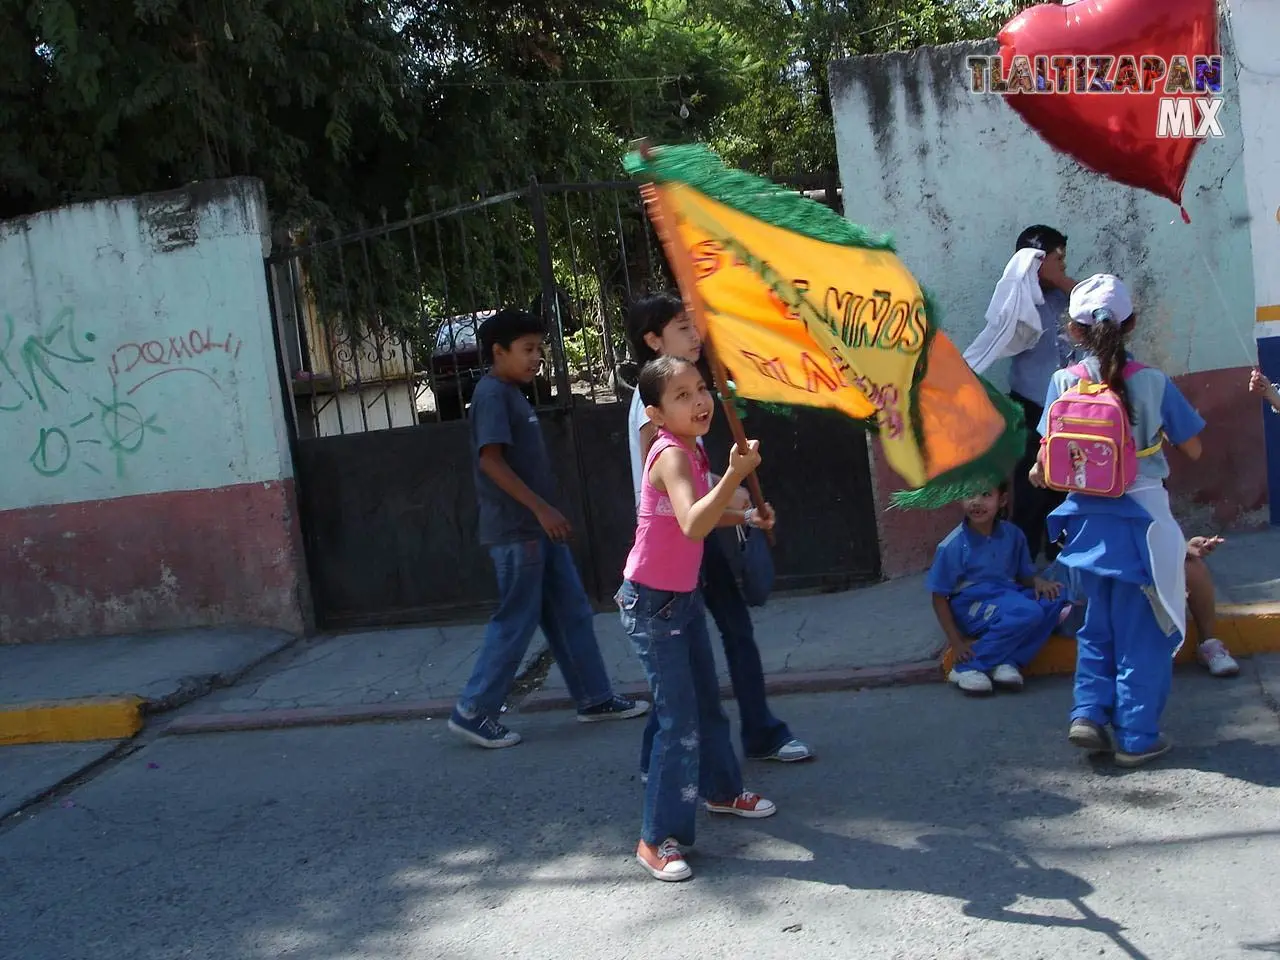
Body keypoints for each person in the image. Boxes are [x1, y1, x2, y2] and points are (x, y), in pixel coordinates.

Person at [625, 293, 812, 768]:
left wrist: (740, 509)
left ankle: (749, 738)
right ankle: (686, 758)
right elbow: (673, 477)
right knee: (691, 656)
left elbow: (691, 469)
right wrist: (731, 490)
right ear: (652, 339)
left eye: (695, 325)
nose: (696, 333)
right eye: (683, 326)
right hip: (678, 543)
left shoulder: (684, 388)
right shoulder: (654, 407)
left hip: (697, 532)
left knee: (709, 646)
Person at [449, 309, 649, 748]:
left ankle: (594, 698)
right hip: (518, 530)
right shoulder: (491, 395)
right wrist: (541, 510)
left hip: (539, 529)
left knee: (572, 612)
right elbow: (491, 460)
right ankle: (474, 709)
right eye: (527, 349)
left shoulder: (513, 393)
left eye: (540, 348)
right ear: (497, 352)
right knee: (516, 619)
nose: (537, 357)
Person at [1031, 275, 1206, 767]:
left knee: (1097, 625)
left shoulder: (1063, 383)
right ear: (1131, 323)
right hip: (1144, 522)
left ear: (1074, 329)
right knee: (1144, 631)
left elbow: (1044, 466)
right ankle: (1136, 736)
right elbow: (1194, 446)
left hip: (1082, 523)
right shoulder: (1153, 381)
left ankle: (1088, 713)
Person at [620, 355, 778, 883]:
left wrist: (746, 514)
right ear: (657, 414)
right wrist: (736, 474)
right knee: (678, 720)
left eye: (701, 388)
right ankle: (653, 838)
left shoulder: (693, 447)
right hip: (650, 603)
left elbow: (707, 512)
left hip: (680, 598)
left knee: (707, 702)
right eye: (682, 395)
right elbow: (691, 523)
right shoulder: (669, 454)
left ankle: (722, 791)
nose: (700, 400)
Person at [928, 482, 1069, 695]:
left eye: (986, 494)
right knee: (1028, 611)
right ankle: (967, 666)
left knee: (1056, 598)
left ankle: (1007, 661)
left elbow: (1024, 576)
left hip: (1007, 597)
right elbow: (938, 597)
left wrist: (1038, 582)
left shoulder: (1013, 535)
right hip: (970, 606)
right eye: (969, 494)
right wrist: (956, 642)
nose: (976, 502)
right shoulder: (952, 546)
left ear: (1002, 500)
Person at [1003, 226, 1080, 562]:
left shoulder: (1070, 296)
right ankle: (1022, 565)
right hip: (1030, 406)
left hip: (1068, 408)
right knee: (1030, 487)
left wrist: (1062, 281)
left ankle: (1058, 558)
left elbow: (1102, 312)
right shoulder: (1017, 295)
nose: (1063, 264)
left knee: (1066, 485)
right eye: (1056, 258)